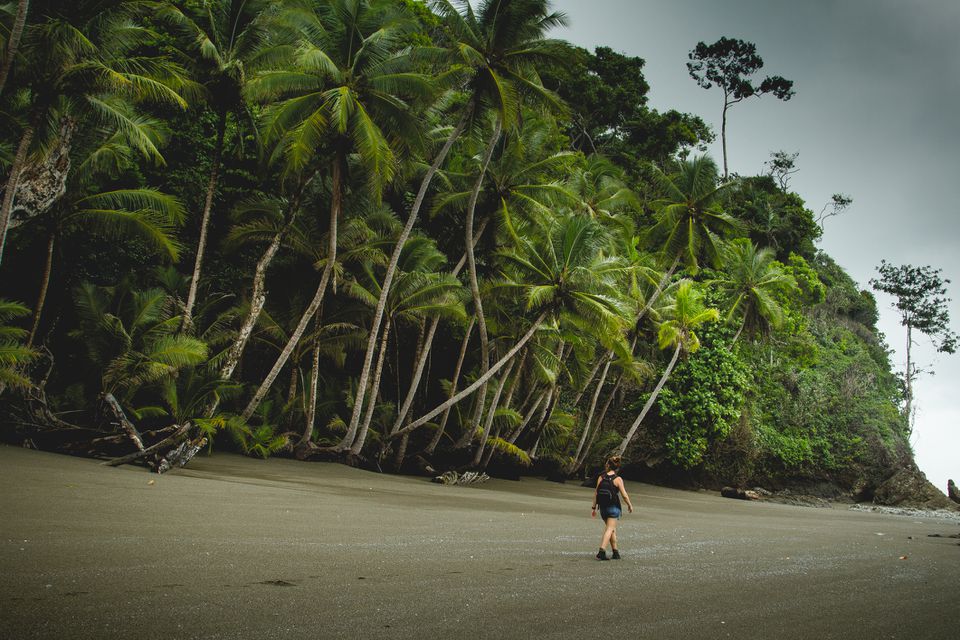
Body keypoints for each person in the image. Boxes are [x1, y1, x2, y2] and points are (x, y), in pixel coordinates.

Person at [591, 455, 633, 560]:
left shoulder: (601, 477)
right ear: (617, 467)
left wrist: (593, 507)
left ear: (608, 465)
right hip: (613, 508)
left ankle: (615, 552)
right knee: (610, 529)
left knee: (612, 529)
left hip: (603, 508)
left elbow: (596, 493)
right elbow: (624, 495)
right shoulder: (618, 479)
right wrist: (629, 505)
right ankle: (602, 551)